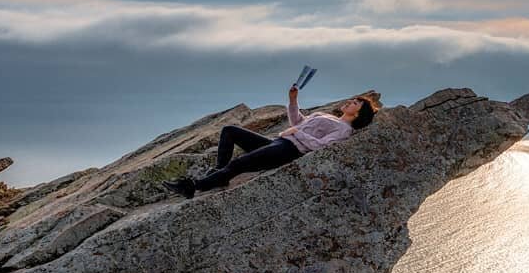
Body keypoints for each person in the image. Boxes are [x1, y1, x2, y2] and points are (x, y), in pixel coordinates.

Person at [162, 85, 378, 199]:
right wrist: (293, 100)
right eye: (352, 99)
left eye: (355, 102)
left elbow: (321, 147)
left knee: (239, 164)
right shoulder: (328, 117)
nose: (350, 101)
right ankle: (219, 174)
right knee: (230, 131)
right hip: (280, 143)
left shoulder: (344, 130)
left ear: (359, 113)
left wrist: (297, 133)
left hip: (290, 150)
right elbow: (298, 121)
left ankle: (192, 187)